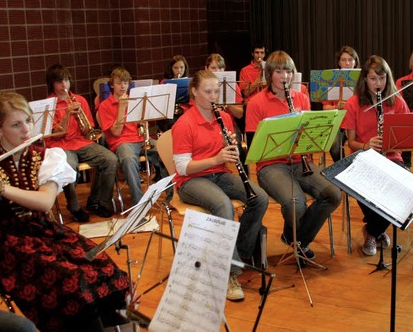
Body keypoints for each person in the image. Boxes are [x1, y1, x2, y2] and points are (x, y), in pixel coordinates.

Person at [0, 92, 130, 332]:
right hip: (1, 244)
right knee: (70, 281)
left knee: (104, 266)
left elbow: (45, 202)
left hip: (43, 231)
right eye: (16, 124)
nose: (26, 130)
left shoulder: (46, 157)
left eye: (28, 121)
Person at [171, 70, 269, 301]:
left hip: (219, 174)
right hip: (192, 181)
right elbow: (183, 168)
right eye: (207, 91)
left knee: (260, 198)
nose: (213, 96)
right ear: (194, 92)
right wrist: (217, 158)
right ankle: (230, 274)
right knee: (223, 207)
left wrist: (229, 146)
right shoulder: (184, 124)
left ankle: (239, 253)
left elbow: (227, 151)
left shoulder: (223, 117)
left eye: (216, 91)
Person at [246, 50, 342, 262]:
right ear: (270, 74)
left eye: (288, 71)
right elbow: (254, 149)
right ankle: (298, 240)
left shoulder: (301, 98)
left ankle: (294, 238)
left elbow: (312, 138)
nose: (284, 77)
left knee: (334, 194)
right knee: (294, 203)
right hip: (271, 166)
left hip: (300, 162)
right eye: (279, 71)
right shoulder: (256, 103)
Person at [342, 55, 410, 256]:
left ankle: (372, 230)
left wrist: (392, 143)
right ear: (365, 79)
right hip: (363, 158)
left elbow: (407, 138)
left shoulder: (397, 102)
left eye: (382, 78)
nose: (378, 83)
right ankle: (376, 231)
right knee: (363, 186)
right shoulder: (353, 104)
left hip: (391, 157)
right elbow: (351, 142)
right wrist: (366, 145)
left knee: (401, 192)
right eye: (373, 79)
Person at [45, 64, 119, 220]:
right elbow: (56, 136)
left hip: (81, 142)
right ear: (52, 84)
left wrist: (81, 119)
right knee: (69, 167)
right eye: (59, 82)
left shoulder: (79, 100)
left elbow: (88, 131)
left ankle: (99, 202)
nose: (63, 85)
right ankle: (74, 207)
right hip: (60, 146)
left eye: (66, 80)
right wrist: (66, 115)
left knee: (110, 159)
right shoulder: (49, 104)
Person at [98, 67, 170, 208]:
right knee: (129, 159)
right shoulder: (105, 106)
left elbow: (142, 125)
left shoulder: (135, 100)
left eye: (125, 83)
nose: (123, 86)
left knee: (166, 150)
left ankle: (171, 197)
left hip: (140, 139)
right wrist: (121, 107)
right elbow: (116, 133)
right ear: (112, 85)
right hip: (122, 142)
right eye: (119, 83)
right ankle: (139, 204)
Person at [323, 46, 361, 163]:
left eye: (350, 60)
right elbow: (325, 108)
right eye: (343, 60)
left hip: (357, 120)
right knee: (333, 144)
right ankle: (342, 166)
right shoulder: (332, 79)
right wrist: (336, 106)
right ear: (339, 62)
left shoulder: (363, 79)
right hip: (338, 121)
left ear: (355, 62)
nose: (347, 63)